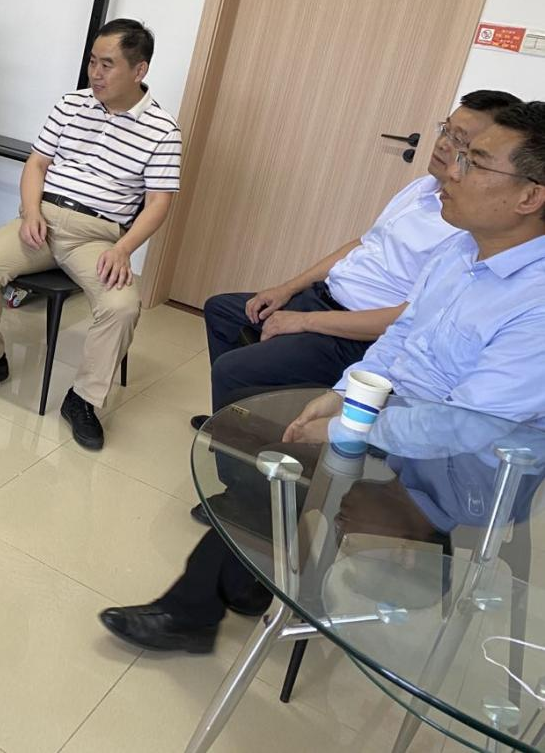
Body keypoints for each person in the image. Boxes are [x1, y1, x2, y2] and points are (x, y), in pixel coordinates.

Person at [99, 100, 545, 654]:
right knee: (272, 443)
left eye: (474, 162)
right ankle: (246, 579)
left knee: (287, 467)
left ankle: (197, 609)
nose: (452, 170)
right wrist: (344, 395)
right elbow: (401, 338)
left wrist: (347, 430)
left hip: (457, 472)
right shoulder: (461, 250)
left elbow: (464, 426)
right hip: (400, 422)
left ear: (530, 197)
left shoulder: (536, 303)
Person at [192, 90, 521, 435]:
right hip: (323, 298)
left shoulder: (461, 229)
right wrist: (287, 288)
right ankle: (234, 422)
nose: (442, 144)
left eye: (460, 141)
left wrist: (304, 321)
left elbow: (403, 319)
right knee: (223, 311)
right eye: (445, 129)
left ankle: (247, 438)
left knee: (234, 369)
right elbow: (365, 242)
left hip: (353, 331)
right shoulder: (420, 189)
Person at [0, 19, 181, 450]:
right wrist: (30, 211)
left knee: (122, 306)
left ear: (139, 70)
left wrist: (124, 249)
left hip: (97, 236)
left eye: (107, 64)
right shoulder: (70, 104)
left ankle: (83, 399)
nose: (95, 73)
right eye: (92, 62)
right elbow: (37, 164)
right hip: (42, 220)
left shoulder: (163, 130)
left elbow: (158, 204)